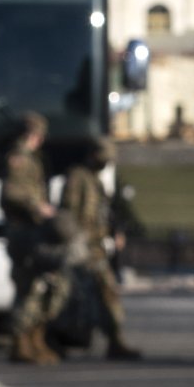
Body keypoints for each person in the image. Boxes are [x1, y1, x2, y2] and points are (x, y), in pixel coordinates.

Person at [56, 140, 141, 362]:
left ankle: (115, 339)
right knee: (70, 296)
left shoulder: (96, 182)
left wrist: (114, 233)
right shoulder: (78, 178)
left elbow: (104, 214)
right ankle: (57, 339)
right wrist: (74, 243)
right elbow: (68, 213)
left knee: (108, 292)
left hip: (96, 248)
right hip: (82, 247)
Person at [2, 113, 67, 366]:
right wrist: (37, 206)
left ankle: (33, 339)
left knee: (41, 286)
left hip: (31, 231)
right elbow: (12, 192)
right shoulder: (19, 158)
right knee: (28, 286)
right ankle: (22, 341)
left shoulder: (30, 158)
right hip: (23, 232)